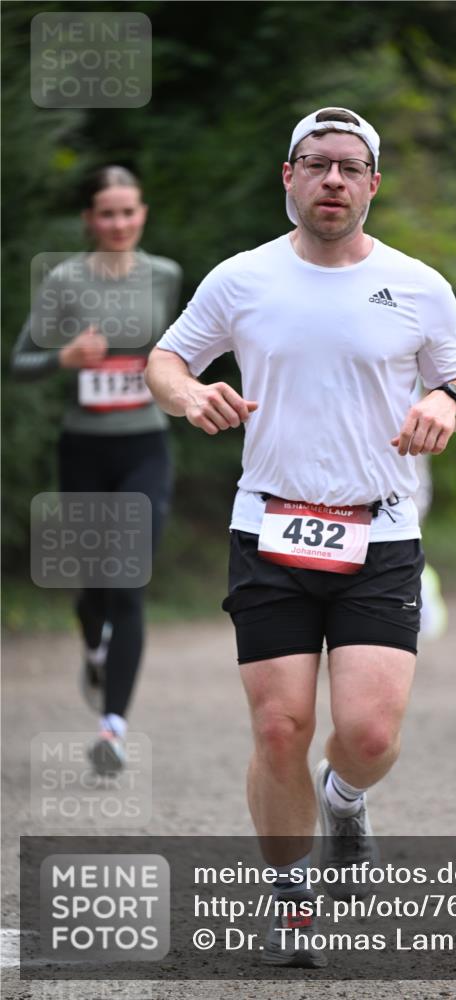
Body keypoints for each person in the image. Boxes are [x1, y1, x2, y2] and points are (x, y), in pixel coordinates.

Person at [145, 106, 456, 967]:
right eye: (315, 164)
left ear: (373, 183)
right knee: (279, 728)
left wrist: (443, 406)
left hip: (381, 533)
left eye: (349, 167)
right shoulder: (240, 279)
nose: (332, 180)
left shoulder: (418, 284)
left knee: (366, 735)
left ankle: (345, 799)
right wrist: (187, 396)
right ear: (287, 177)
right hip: (270, 527)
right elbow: (165, 359)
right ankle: (292, 900)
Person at [11, 166, 182, 775]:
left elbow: (179, 350)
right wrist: (63, 356)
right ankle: (93, 644)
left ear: (142, 214)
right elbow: (18, 361)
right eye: (107, 214)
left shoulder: (165, 277)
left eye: (129, 212)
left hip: (145, 447)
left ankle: (113, 730)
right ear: (89, 218)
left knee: (127, 580)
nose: (119, 224)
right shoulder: (65, 279)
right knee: (92, 590)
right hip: (84, 449)